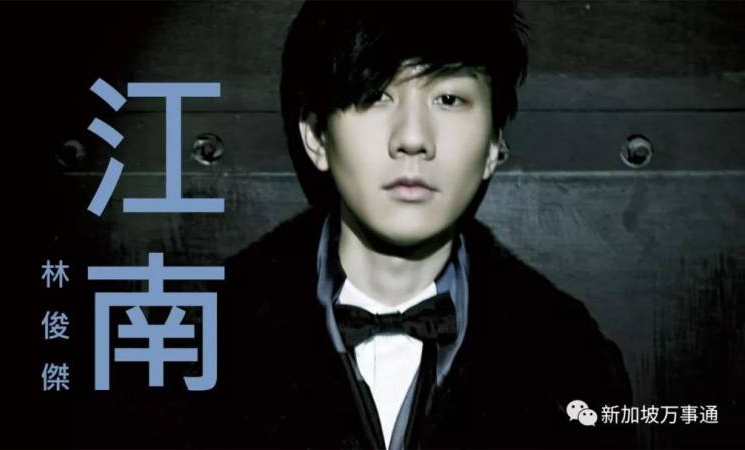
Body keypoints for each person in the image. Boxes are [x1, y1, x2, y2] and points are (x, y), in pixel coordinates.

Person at [189, 1, 634, 448]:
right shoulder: (198, 344)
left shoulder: (575, 361)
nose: (413, 138)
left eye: (448, 99)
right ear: (317, 136)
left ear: (493, 144)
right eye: (375, 95)